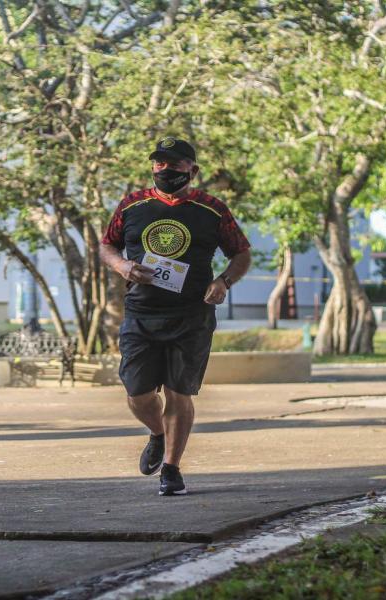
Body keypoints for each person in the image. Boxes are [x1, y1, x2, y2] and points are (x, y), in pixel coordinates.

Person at [100, 137, 252, 496]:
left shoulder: (212, 209)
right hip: (142, 312)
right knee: (137, 392)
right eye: (159, 163)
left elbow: (241, 253)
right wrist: (122, 265)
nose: (165, 170)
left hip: (191, 314)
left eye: (174, 164)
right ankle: (157, 432)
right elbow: (107, 245)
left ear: (192, 170)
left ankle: (171, 467)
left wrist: (224, 281)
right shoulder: (132, 205)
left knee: (178, 392)